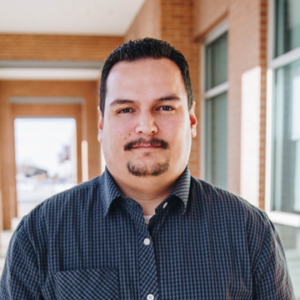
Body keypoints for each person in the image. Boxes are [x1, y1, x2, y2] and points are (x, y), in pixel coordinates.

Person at [0, 38, 295, 299]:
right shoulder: (40, 233)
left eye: (165, 107)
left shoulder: (249, 230)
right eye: (126, 109)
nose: (146, 127)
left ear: (191, 121)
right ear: (102, 124)